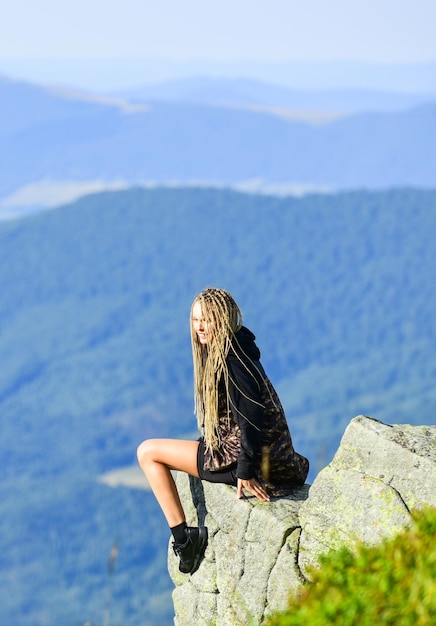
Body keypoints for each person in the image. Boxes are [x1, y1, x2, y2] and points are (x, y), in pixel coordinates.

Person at [137, 287, 309, 575]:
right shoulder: (240, 348)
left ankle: (185, 540)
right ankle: (186, 538)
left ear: (224, 320)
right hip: (269, 455)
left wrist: (245, 470)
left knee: (148, 453)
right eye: (195, 320)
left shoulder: (231, 359)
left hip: (247, 458)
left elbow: (253, 414)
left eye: (208, 319)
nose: (200, 327)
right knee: (177, 448)